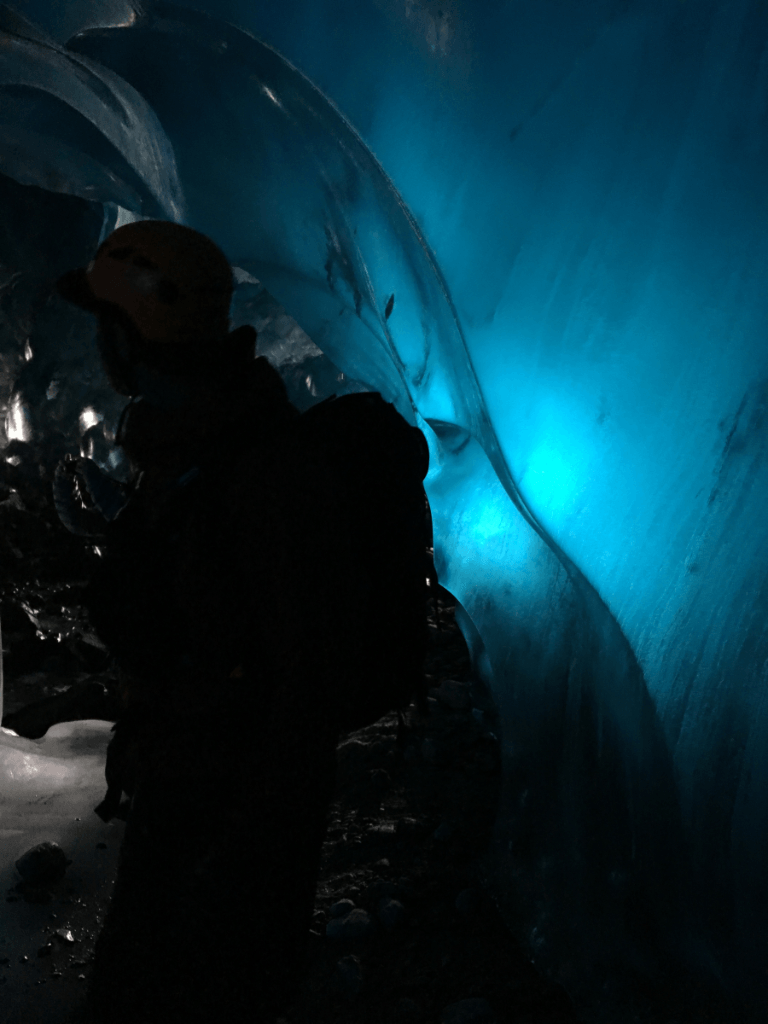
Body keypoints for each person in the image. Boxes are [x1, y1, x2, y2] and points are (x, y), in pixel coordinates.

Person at [55, 220, 431, 1023]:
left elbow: (301, 677)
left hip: (230, 821)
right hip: (193, 795)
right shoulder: (193, 446)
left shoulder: (260, 478)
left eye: (106, 323)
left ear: (136, 333)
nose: (97, 342)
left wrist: (244, 849)